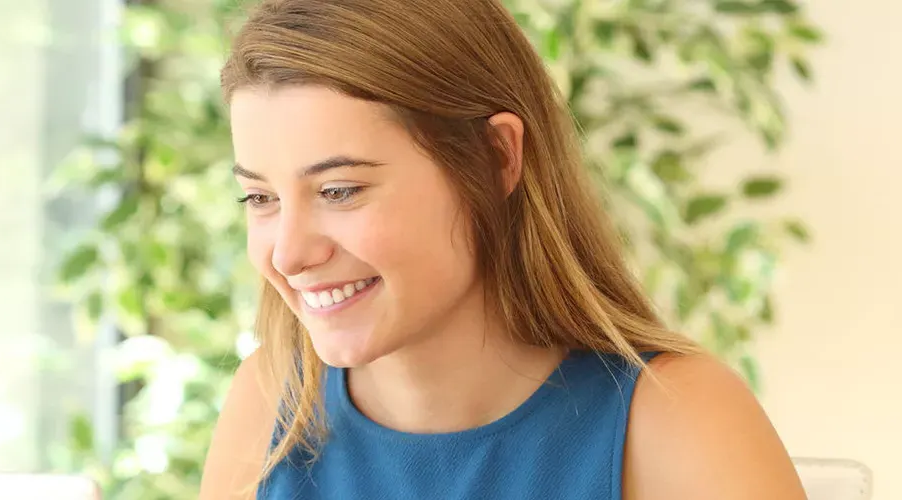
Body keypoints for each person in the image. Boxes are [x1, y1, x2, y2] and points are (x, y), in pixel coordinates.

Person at [199, 0, 806, 498]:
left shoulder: (676, 421)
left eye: (339, 190)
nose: (288, 254)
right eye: (259, 199)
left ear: (496, 158)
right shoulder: (271, 403)